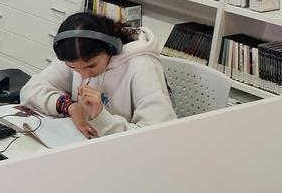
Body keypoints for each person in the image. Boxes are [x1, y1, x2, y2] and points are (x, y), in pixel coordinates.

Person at [20, 12, 176, 138]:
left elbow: (158, 136)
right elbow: (30, 90)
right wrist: (70, 106)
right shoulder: (77, 54)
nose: (84, 75)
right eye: (74, 68)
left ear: (111, 49)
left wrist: (101, 117)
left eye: (91, 66)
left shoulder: (142, 66)